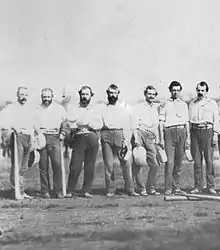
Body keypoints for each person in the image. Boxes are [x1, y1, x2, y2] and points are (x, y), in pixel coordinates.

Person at [100, 84, 139, 197]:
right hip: (106, 134)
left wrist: (127, 138)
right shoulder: (103, 108)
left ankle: (130, 189)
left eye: (114, 93)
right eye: (110, 93)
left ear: (118, 94)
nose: (112, 95)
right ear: (107, 93)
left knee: (126, 162)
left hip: (120, 134)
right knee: (109, 165)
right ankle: (111, 189)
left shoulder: (124, 107)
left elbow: (130, 123)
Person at [0, 86, 38, 199]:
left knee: (24, 165)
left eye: (26, 95)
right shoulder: (10, 108)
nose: (24, 97)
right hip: (17, 136)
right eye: (22, 95)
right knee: (17, 163)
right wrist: (12, 127)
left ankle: (21, 190)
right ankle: (16, 190)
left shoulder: (30, 108)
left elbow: (34, 122)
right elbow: (3, 122)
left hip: (28, 136)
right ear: (17, 95)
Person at [66, 86, 102, 198]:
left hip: (92, 137)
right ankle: (70, 190)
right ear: (79, 95)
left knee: (90, 165)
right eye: (82, 94)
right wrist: (80, 124)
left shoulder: (95, 109)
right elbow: (71, 124)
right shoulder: (74, 109)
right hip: (79, 138)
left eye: (87, 94)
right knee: (75, 165)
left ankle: (86, 190)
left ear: (91, 95)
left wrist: (88, 124)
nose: (84, 96)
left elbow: (99, 124)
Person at [159, 81, 190, 195]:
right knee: (170, 161)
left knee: (178, 161)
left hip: (181, 131)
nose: (176, 92)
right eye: (173, 90)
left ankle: (176, 187)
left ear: (180, 91)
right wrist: (161, 138)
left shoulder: (184, 104)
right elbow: (161, 122)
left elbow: (186, 122)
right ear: (170, 91)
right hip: (169, 132)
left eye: (178, 90)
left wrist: (188, 138)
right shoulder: (166, 104)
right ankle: (168, 188)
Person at [189, 81, 219, 194]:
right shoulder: (192, 103)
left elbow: (216, 120)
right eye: (198, 90)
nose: (200, 92)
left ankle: (210, 186)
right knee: (197, 161)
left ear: (207, 91)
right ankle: (198, 186)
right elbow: (189, 121)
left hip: (208, 131)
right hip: (195, 131)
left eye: (203, 90)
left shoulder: (212, 103)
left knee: (209, 160)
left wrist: (215, 134)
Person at [37, 88, 68, 198]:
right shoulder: (37, 109)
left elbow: (65, 123)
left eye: (48, 97)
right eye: (44, 97)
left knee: (57, 165)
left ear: (52, 97)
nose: (46, 99)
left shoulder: (59, 109)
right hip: (42, 137)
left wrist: (62, 134)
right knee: (43, 166)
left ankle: (58, 190)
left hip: (55, 137)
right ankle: (45, 190)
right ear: (41, 97)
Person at [132, 85, 161, 196]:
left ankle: (151, 188)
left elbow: (156, 125)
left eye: (153, 94)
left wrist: (157, 138)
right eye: (149, 94)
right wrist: (136, 139)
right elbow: (135, 124)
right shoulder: (139, 107)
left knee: (155, 164)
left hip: (150, 136)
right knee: (139, 163)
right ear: (145, 94)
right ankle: (141, 188)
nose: (151, 96)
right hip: (140, 133)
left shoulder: (156, 108)